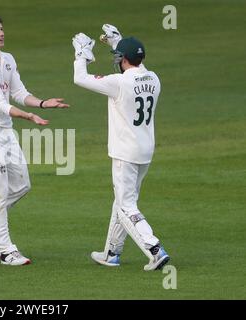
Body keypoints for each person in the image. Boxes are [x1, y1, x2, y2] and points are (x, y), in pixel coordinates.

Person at [0, 16, 69, 266]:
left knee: (22, 184)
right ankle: (5, 249)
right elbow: (0, 104)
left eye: (2, 29)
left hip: (5, 130)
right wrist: (28, 116)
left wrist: (43, 103)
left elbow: (18, 92)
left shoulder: (8, 60)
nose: (1, 34)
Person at [72, 24, 170, 271]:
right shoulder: (154, 78)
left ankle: (154, 249)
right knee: (123, 202)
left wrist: (81, 54)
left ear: (124, 60)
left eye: (119, 57)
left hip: (125, 153)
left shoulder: (118, 82)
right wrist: (118, 43)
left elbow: (80, 78)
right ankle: (111, 253)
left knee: (127, 206)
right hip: (145, 151)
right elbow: (135, 65)